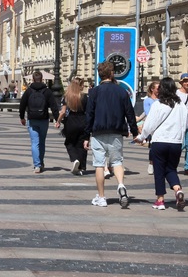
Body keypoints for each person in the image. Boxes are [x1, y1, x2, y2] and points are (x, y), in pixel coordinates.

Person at [83, 61, 138, 208]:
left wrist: (86, 136)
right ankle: (121, 185)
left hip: (98, 132)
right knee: (117, 161)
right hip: (116, 132)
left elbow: (89, 115)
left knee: (99, 165)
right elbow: (130, 113)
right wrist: (134, 131)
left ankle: (101, 197)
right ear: (112, 73)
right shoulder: (121, 92)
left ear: (100, 74)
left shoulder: (94, 92)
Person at [134, 77, 188, 210]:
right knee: (171, 169)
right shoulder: (181, 105)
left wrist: (142, 137)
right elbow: (186, 123)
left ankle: (160, 200)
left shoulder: (158, 104)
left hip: (160, 142)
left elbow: (150, 124)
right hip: (176, 142)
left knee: (159, 171)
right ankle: (178, 190)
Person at [19, 71, 59, 173]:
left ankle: (37, 165)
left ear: (33, 79)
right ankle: (41, 162)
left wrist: (22, 117)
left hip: (32, 119)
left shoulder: (28, 91)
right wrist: (57, 119)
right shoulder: (47, 91)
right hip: (43, 119)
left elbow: (22, 104)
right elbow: (54, 106)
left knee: (34, 143)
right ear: (42, 79)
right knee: (42, 142)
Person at [55, 77, 89, 175]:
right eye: (82, 84)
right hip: (83, 121)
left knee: (69, 143)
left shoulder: (67, 96)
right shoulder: (84, 97)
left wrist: (58, 121)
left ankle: (75, 159)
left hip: (70, 122)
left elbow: (62, 112)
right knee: (82, 144)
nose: (83, 86)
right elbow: (88, 111)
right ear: (79, 86)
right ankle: (82, 167)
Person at [136, 80, 159, 175]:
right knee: (153, 146)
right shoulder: (148, 100)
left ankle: (159, 164)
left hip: (161, 125)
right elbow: (147, 112)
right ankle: (151, 163)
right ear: (152, 89)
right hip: (152, 125)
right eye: (158, 88)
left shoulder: (162, 99)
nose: (159, 90)